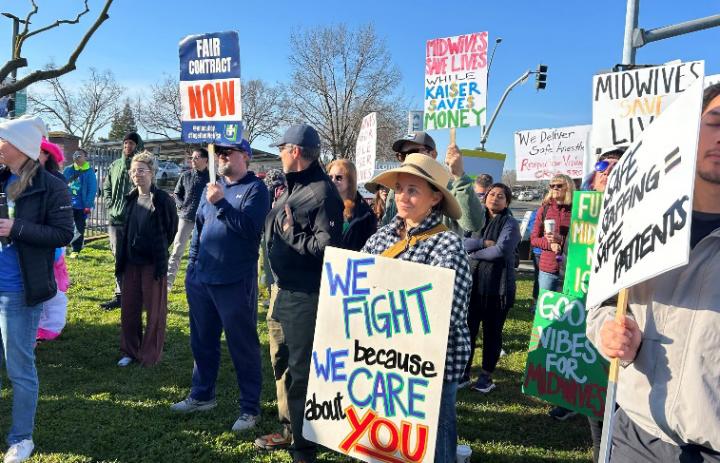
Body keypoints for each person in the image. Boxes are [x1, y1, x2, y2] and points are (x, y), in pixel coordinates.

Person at [586, 83, 720, 462]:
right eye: (716, 121)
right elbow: (601, 306)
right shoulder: (638, 215)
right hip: (636, 433)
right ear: (692, 130)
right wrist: (609, 332)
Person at [362, 153, 472, 463]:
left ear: (435, 197)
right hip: (382, 359)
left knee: (434, 439)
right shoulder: (379, 239)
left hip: (433, 364)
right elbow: (355, 292)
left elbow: (444, 310)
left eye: (413, 190)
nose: (403, 197)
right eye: (399, 189)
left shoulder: (448, 245)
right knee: (389, 439)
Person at [255, 124, 343, 463]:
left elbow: (328, 247)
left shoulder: (322, 192)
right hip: (281, 290)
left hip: (305, 296)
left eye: (281, 149)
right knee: (281, 362)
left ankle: (304, 447)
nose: (278, 154)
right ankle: (290, 428)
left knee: (301, 369)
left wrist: (291, 236)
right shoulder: (293, 188)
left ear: (295, 151)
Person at [171, 139, 270, 434]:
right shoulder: (211, 187)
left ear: (246, 157)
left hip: (235, 280)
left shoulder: (256, 189)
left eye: (228, 152)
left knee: (242, 345)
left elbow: (251, 230)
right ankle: (202, 395)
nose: (222, 157)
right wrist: (192, 269)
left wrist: (222, 204)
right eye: (219, 152)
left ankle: (250, 408)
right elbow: (200, 229)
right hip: (203, 277)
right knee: (202, 341)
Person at [0, 115, 74, 463]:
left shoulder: (52, 186)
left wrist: (16, 228)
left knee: (19, 368)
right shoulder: (1, 179)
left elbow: (62, 235)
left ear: (18, 146)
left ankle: (21, 438)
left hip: (19, 291)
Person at [115, 151, 178, 367]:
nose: (136, 175)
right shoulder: (131, 198)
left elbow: (171, 230)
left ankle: (150, 354)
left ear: (152, 173)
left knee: (155, 312)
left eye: (141, 170)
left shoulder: (162, 200)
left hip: (153, 263)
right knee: (129, 309)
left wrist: (156, 248)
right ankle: (129, 351)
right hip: (131, 262)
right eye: (133, 171)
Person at [460, 183, 520, 392]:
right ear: (485, 198)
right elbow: (462, 243)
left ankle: (486, 376)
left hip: (498, 289)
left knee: (492, 333)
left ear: (507, 202)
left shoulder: (511, 223)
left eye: (500, 196)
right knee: (467, 331)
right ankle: (464, 373)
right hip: (473, 286)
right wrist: (484, 243)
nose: (495, 198)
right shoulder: (475, 220)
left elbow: (501, 250)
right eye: (491, 194)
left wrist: (474, 253)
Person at [530, 173, 575, 420]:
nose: (554, 189)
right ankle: (543, 369)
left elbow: (585, 238)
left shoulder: (579, 207)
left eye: (558, 186)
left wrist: (564, 241)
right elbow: (534, 238)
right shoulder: (545, 208)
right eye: (551, 186)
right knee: (546, 321)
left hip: (572, 269)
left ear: (568, 187)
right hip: (548, 268)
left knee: (568, 322)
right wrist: (551, 244)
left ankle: (564, 373)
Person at [380, 131, 484, 234]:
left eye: (413, 152)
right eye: (402, 155)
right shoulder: (395, 191)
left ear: (433, 154)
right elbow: (386, 226)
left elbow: (473, 225)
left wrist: (459, 176)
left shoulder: (450, 188)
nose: (408, 159)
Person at [100, 132, 143, 310]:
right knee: (118, 257)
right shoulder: (115, 165)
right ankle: (120, 295)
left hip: (134, 220)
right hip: (115, 219)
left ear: (137, 145)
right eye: (125, 143)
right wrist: (110, 205)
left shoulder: (140, 166)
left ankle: (136, 294)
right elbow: (107, 187)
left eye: (131, 143)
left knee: (135, 257)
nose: (128, 146)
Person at [36, 140, 71, 342]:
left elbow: (61, 220)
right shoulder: (21, 178)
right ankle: (40, 322)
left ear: (46, 155)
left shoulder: (56, 180)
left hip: (52, 242)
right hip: (35, 240)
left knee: (53, 287)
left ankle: (52, 325)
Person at [166, 147, 210, 290]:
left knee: (203, 252)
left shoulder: (213, 178)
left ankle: (200, 282)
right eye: (192, 158)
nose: (193, 160)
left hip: (205, 220)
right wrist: (181, 205)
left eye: (196, 158)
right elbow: (177, 193)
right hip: (185, 217)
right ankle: (168, 282)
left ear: (206, 160)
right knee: (177, 250)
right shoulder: (185, 176)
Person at [326, 159, 376, 250]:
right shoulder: (323, 204)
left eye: (338, 178)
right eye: (330, 177)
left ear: (350, 181)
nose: (333, 181)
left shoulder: (365, 214)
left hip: (350, 262)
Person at [63, 148, 97, 257]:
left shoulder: (89, 171)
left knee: (79, 227)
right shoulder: (68, 170)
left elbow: (92, 189)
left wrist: (88, 205)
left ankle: (76, 249)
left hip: (81, 206)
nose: (77, 156)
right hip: (68, 204)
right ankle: (65, 244)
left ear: (85, 157)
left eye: (80, 155)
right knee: (66, 225)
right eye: (75, 154)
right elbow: (62, 184)